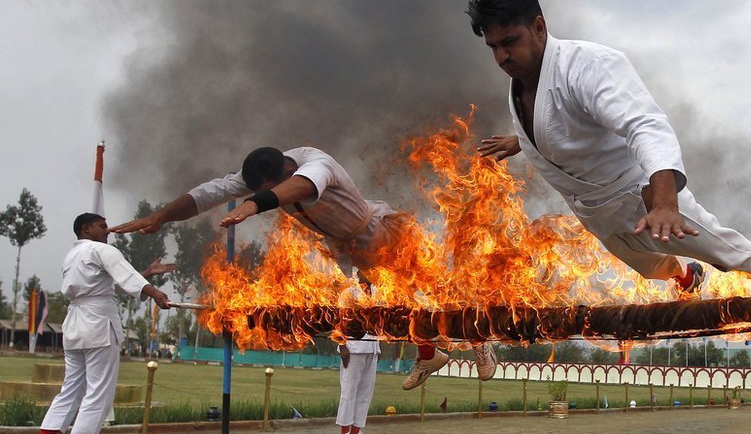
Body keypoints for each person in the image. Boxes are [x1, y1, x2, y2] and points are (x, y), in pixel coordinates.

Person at [469, 0, 751, 293]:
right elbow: (554, 122)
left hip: (641, 194)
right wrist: (522, 140)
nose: (501, 57)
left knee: (720, 249)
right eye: (493, 47)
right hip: (594, 211)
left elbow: (644, 125)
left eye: (510, 41)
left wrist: (664, 202)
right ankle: (688, 278)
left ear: (539, 27)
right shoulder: (522, 83)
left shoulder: (587, 66)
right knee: (650, 265)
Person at [109, 146, 497, 390]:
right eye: (255, 191)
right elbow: (208, 194)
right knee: (390, 310)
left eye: (265, 190)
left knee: (423, 290)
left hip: (379, 231)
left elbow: (296, 188)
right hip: (347, 250)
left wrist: (254, 205)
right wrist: (161, 216)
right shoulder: (264, 177)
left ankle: (480, 341)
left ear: (282, 170)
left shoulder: (316, 164)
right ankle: (428, 353)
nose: (258, 195)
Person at [23, 213, 172, 434]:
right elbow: (126, 279)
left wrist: (146, 273)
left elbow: (111, 283)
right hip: (98, 325)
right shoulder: (101, 249)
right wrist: (155, 292)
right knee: (98, 392)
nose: (108, 230)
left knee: (70, 390)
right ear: (86, 228)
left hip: (75, 326)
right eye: (102, 226)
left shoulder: (73, 256)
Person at [336, 336, 379, 434]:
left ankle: (355, 432)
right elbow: (339, 323)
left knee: (365, 393)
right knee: (349, 391)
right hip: (353, 348)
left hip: (372, 347)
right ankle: (344, 433)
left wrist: (377, 347)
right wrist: (342, 345)